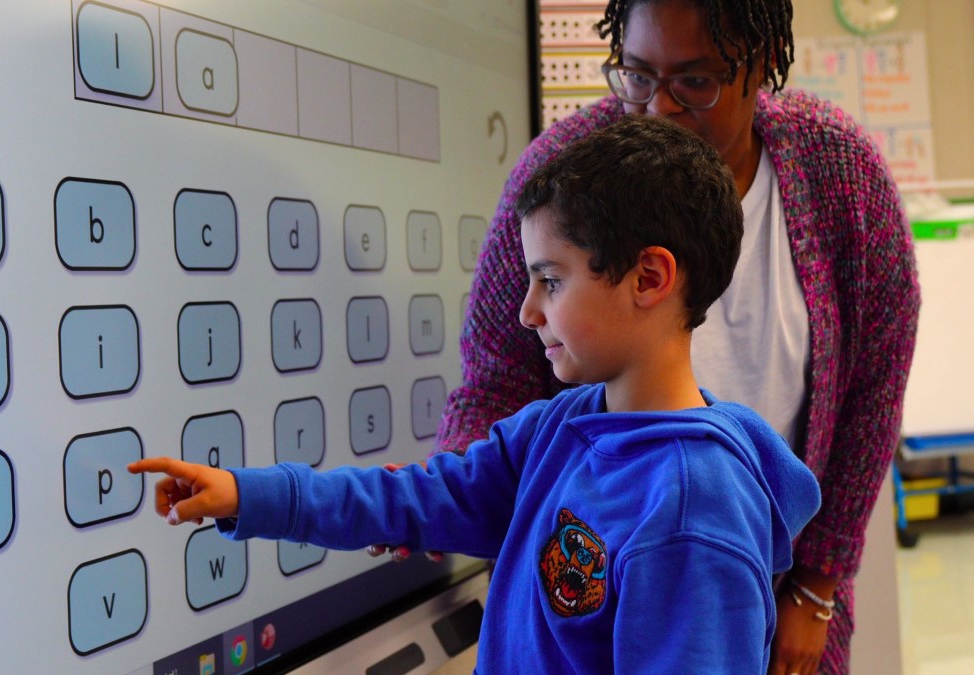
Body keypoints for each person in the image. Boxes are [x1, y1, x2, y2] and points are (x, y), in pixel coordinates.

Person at [130, 115, 822, 673]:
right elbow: (416, 498)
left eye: (551, 280)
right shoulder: (558, 428)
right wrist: (248, 495)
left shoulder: (693, 511)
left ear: (648, 278)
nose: (526, 310)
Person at [418, 1, 920, 673]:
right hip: (596, 586)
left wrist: (817, 584)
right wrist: (454, 474)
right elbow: (496, 380)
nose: (660, 108)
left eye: (696, 81)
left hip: (775, 579)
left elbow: (875, 393)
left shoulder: (840, 175)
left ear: (762, 65)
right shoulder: (569, 173)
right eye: (637, 74)